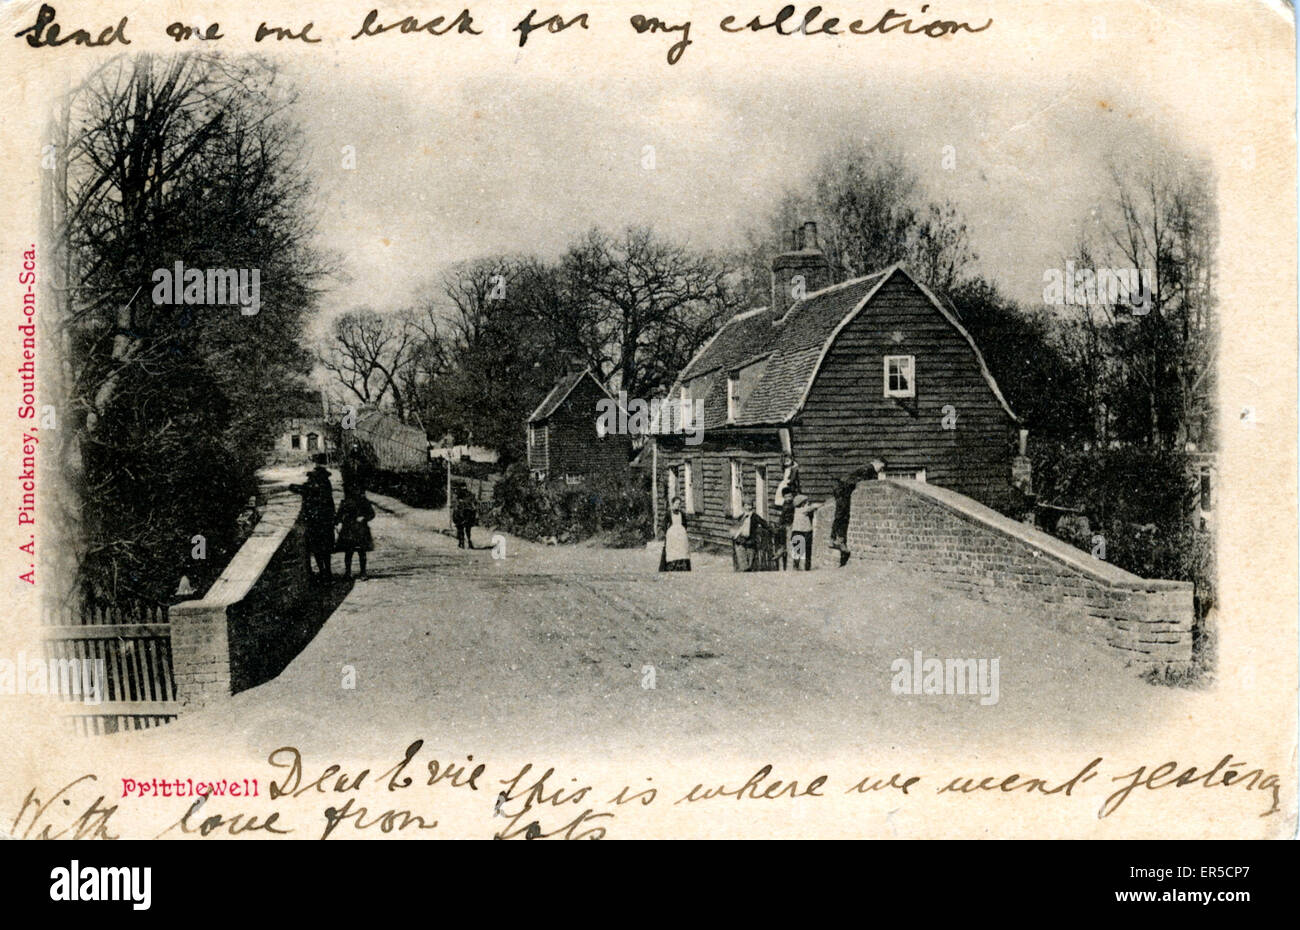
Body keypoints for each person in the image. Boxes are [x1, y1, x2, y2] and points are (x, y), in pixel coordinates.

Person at [290, 456, 335, 582]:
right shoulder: (326, 483)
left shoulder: (314, 484)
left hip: (314, 520)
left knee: (317, 548)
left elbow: (300, 489)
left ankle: (323, 573)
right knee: (325, 548)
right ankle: (328, 572)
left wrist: (295, 487)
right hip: (326, 520)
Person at [830, 461, 883, 566]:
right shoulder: (868, 468)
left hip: (844, 489)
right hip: (843, 490)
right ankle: (834, 538)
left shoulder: (869, 470)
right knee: (841, 514)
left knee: (844, 515)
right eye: (882, 467)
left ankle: (838, 539)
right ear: (878, 463)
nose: (881, 470)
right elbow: (863, 482)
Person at [335, 490, 376, 580]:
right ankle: (348, 572)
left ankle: (363, 572)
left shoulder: (364, 501)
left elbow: (372, 514)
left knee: (361, 552)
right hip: (348, 529)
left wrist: (364, 517)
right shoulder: (345, 502)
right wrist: (337, 522)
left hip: (361, 529)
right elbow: (339, 514)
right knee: (348, 552)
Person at [731, 494, 778, 572]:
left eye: (750, 505)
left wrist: (772, 530)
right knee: (741, 557)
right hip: (740, 539)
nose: (749, 507)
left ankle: (749, 570)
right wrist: (734, 534)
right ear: (743, 506)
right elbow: (736, 526)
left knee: (751, 558)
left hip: (750, 540)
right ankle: (743, 570)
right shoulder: (741, 516)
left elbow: (764, 523)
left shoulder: (755, 516)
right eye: (746, 505)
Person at [772, 456, 801, 570]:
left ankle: (796, 562)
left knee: (795, 537)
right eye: (785, 461)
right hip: (787, 521)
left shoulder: (794, 469)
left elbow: (793, 480)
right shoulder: (785, 505)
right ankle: (783, 550)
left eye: (788, 460)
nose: (786, 463)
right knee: (783, 533)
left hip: (794, 522)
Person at [789, 494, 823, 571]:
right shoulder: (803, 510)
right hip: (805, 532)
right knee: (807, 550)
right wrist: (823, 504)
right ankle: (807, 567)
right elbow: (814, 506)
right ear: (802, 504)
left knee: (797, 551)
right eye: (806, 502)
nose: (808, 503)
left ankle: (796, 566)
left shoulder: (796, 510)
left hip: (796, 532)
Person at [659, 496, 692, 571]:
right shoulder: (669, 513)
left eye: (679, 504)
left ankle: (681, 566)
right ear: (673, 504)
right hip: (672, 534)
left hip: (680, 534)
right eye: (676, 503)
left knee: (682, 549)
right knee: (672, 549)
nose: (678, 505)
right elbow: (664, 524)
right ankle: (672, 566)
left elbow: (685, 524)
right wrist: (667, 532)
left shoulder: (682, 514)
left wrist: (682, 531)